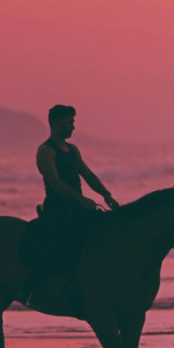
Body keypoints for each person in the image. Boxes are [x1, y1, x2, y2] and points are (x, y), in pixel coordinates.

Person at [21, 103, 121, 289]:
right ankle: (34, 286)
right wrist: (81, 199)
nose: (73, 126)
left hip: (77, 206)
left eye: (73, 122)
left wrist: (106, 194)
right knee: (60, 243)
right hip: (57, 207)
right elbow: (55, 183)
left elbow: (88, 175)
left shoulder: (73, 150)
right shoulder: (46, 151)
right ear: (57, 124)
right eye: (69, 123)